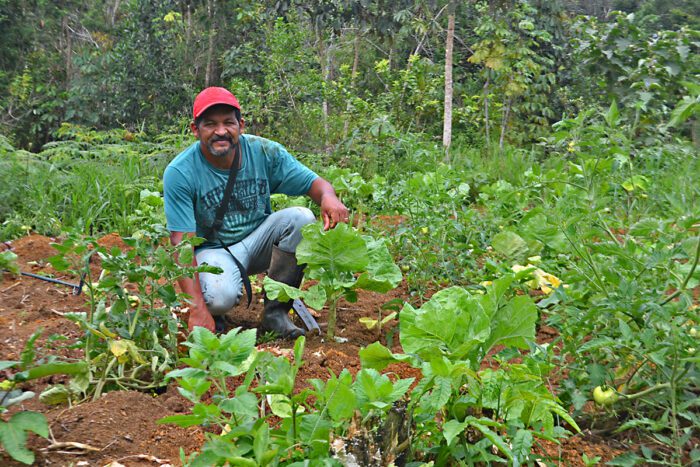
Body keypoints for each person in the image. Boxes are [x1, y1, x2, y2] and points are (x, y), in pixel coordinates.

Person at [163, 87, 348, 338]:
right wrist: (197, 309)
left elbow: (315, 183)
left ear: (241, 125)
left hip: (259, 240)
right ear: (195, 129)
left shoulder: (264, 152)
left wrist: (329, 197)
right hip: (214, 250)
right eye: (210, 124)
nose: (221, 131)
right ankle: (213, 310)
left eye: (228, 122)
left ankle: (275, 314)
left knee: (302, 218)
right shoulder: (181, 172)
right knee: (218, 297)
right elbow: (181, 244)